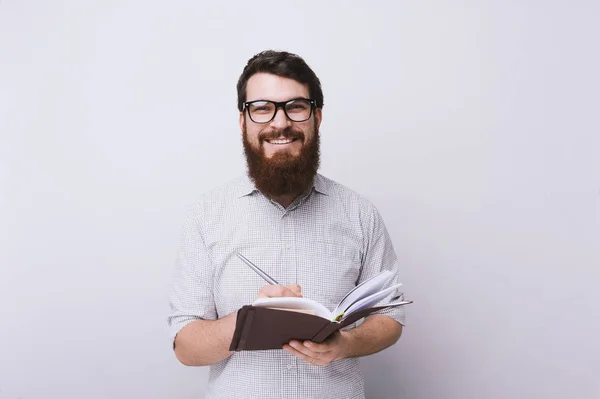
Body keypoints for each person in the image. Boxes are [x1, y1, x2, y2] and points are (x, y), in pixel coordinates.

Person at [167, 50, 406, 399]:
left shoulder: (359, 213)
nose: (279, 123)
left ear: (317, 117)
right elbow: (185, 347)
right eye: (262, 108)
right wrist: (249, 321)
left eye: (295, 106)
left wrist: (344, 344)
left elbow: (391, 317)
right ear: (243, 121)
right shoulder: (206, 215)